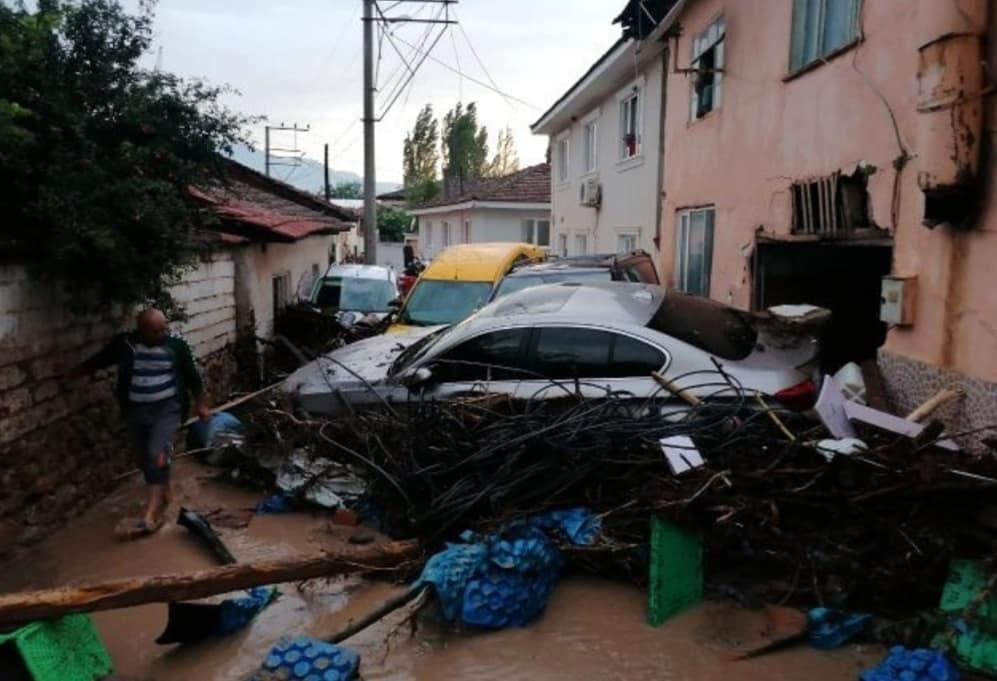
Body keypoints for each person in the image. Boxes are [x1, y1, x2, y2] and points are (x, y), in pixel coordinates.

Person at [68, 309, 211, 535]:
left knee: (157, 452)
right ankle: (165, 489)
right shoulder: (125, 344)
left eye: (164, 328)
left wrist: (201, 405)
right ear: (141, 330)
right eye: (155, 331)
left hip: (168, 409)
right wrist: (73, 373)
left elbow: (193, 377)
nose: (161, 334)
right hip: (135, 410)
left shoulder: (176, 345)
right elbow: (101, 359)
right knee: (143, 457)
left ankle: (150, 514)